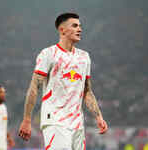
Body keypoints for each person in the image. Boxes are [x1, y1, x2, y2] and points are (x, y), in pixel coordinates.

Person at [19, 12, 108, 150]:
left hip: (77, 123)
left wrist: (98, 117)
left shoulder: (84, 57)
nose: (80, 29)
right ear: (62, 30)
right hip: (55, 120)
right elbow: (34, 87)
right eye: (75, 26)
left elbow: (87, 91)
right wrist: (27, 119)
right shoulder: (48, 54)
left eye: (80, 26)